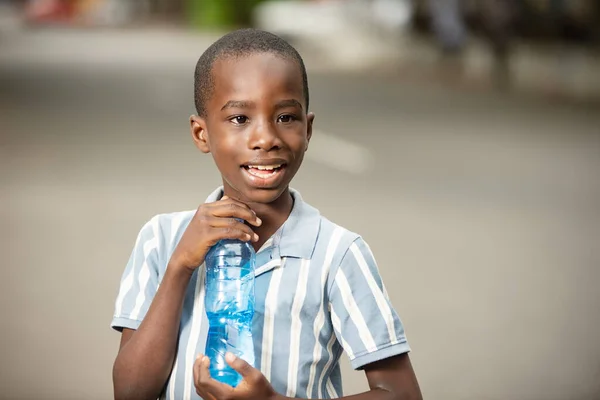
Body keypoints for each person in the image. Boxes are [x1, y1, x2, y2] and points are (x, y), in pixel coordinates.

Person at [111, 28, 422, 400]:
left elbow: (403, 394)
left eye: (286, 117)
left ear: (308, 130)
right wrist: (180, 265)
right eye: (240, 119)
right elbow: (130, 392)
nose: (266, 138)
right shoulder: (161, 239)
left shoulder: (338, 254)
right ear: (201, 133)